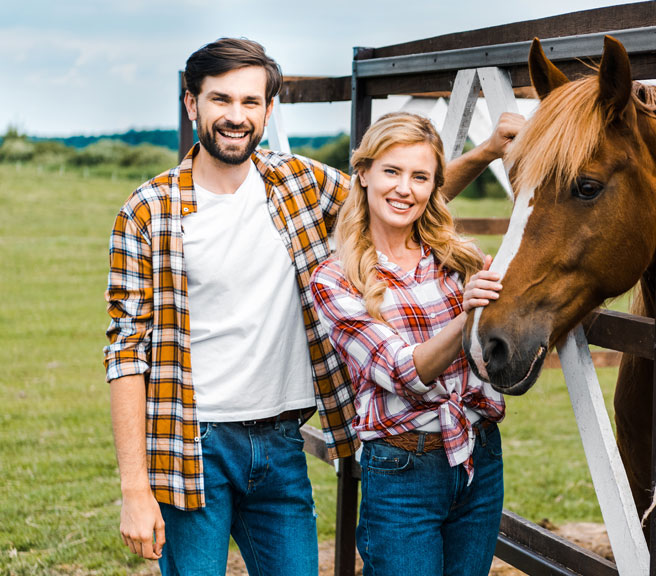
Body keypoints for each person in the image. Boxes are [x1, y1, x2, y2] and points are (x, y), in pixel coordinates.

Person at [104, 38, 522, 575]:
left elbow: (399, 196)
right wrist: (134, 488)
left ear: (268, 109)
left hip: (281, 442)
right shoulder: (147, 211)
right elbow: (125, 352)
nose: (236, 116)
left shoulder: (297, 183)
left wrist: (485, 152)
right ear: (193, 104)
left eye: (251, 102)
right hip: (194, 442)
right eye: (221, 100)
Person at [310, 112, 506, 576]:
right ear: (363, 173)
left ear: (434, 185)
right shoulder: (335, 279)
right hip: (402, 471)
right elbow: (405, 372)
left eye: (420, 177)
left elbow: (495, 352)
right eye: (392, 172)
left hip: (479, 456)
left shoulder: (459, 257)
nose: (405, 189)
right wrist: (467, 315)